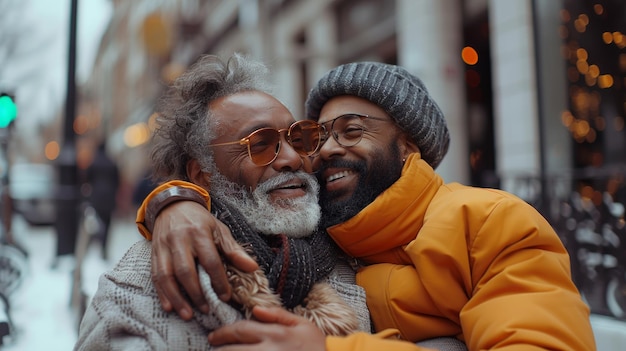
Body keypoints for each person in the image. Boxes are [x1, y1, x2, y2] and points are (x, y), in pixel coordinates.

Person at [138, 61, 597, 350]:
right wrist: (177, 202)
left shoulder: (492, 221)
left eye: (353, 130)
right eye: (318, 135)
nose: (324, 150)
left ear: (408, 145)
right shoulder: (316, 238)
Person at [74, 54, 373, 350]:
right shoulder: (139, 288)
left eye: (298, 139)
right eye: (260, 144)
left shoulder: (354, 248)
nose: (292, 159)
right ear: (202, 174)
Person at [84, 142, 120, 259]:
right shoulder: (111, 163)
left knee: (95, 223)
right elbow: (117, 181)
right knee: (107, 224)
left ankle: (92, 245)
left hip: (96, 198)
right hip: (109, 199)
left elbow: (86, 179)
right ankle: (104, 249)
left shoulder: (93, 162)